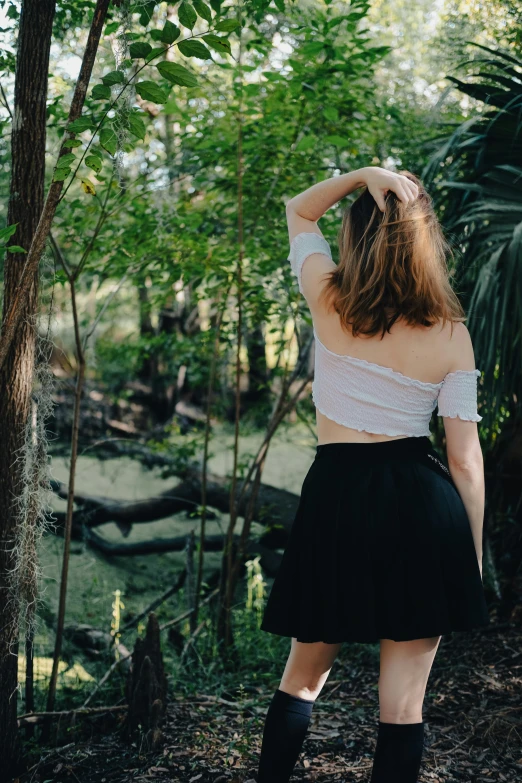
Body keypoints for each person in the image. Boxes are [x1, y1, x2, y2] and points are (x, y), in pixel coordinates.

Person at [256, 167, 490, 783]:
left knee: (302, 679)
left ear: (357, 238)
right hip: (422, 502)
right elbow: (465, 458)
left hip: (337, 497)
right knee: (403, 705)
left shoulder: (328, 296)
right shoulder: (451, 334)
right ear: (424, 243)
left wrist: (363, 176)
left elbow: (299, 211)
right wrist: (470, 554)